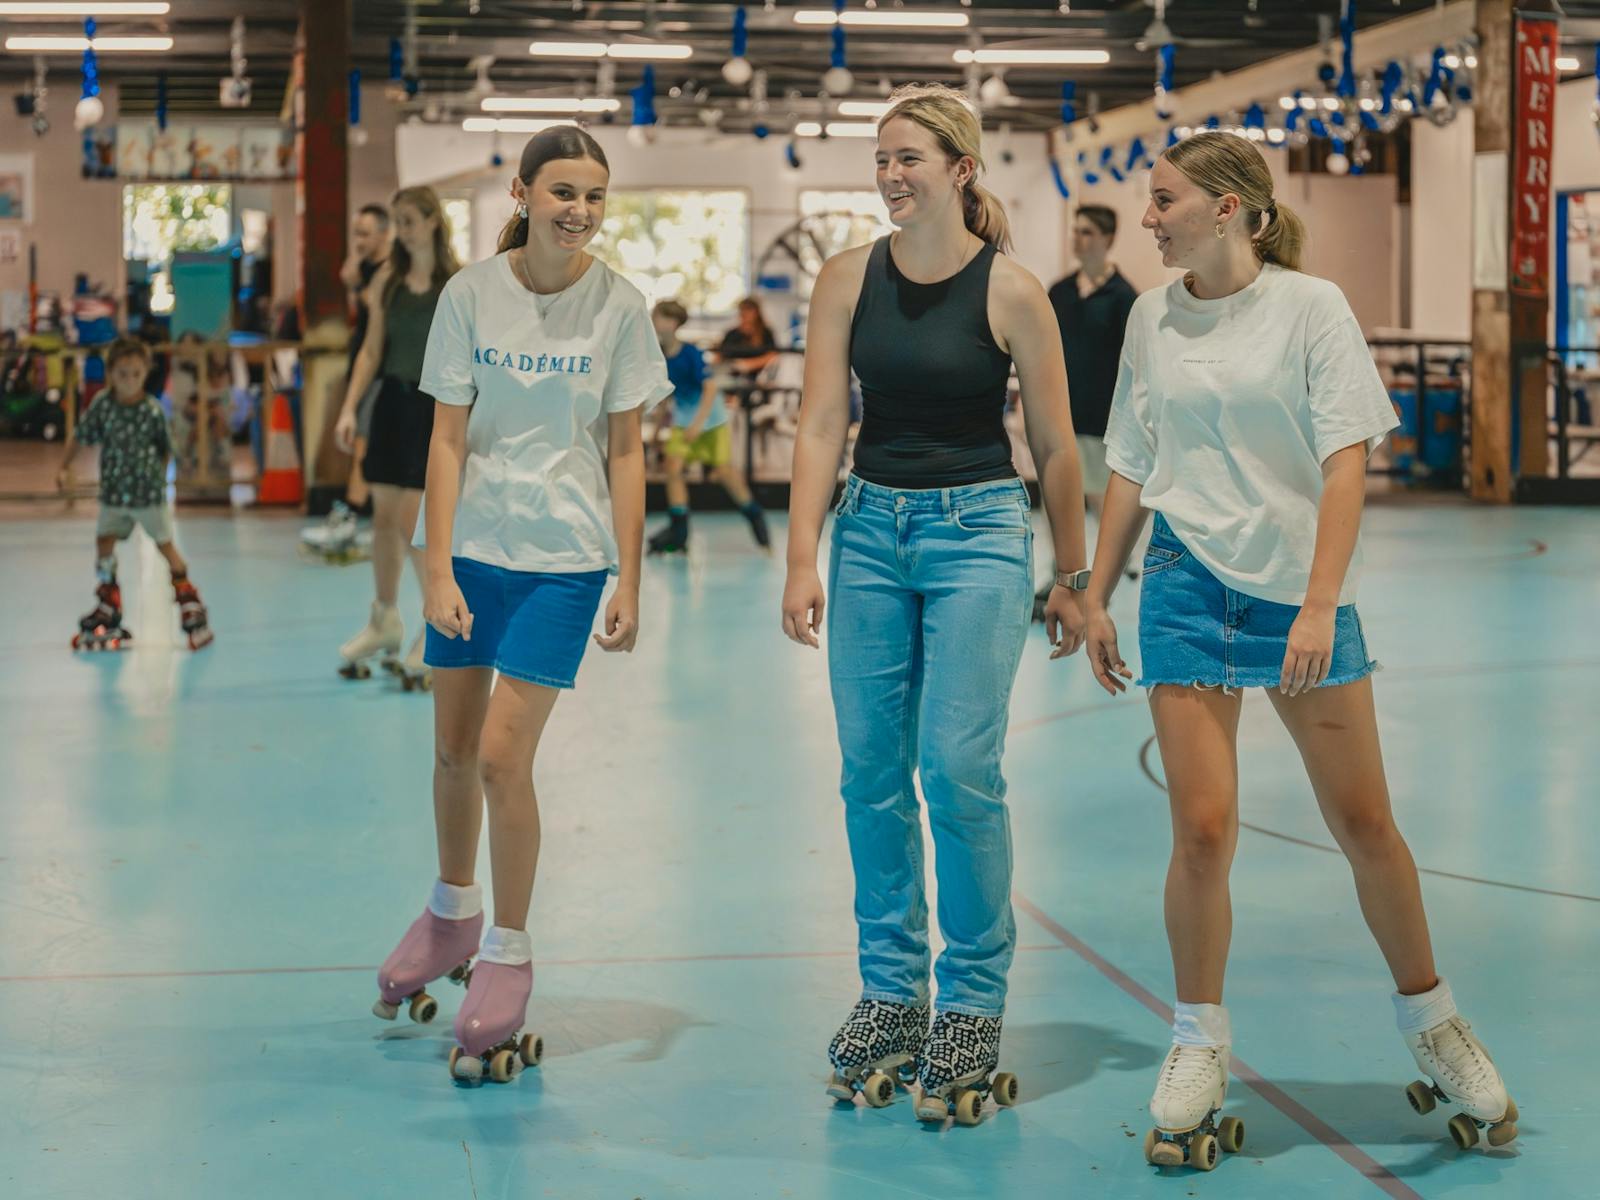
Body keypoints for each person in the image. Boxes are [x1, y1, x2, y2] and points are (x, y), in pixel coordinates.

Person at [1083, 132, 1516, 1168]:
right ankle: (1196, 1039)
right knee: (1201, 831)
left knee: (1364, 821)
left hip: (1297, 599)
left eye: (1163, 200)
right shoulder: (1151, 316)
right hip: (1185, 586)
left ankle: (1434, 1021)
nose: (1148, 217)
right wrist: (1091, 591)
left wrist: (1319, 604)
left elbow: (1343, 461)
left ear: (1229, 209)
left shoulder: (1310, 307)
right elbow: (1134, 463)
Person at [781, 83, 1088, 1124]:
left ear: (960, 170)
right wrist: (799, 557)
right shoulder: (841, 280)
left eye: (908, 157)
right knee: (869, 773)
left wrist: (1076, 577)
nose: (889, 175)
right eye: (880, 159)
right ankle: (889, 996)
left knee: (956, 769)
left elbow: (1052, 448)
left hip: (978, 536)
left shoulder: (1012, 293)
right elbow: (822, 423)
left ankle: (969, 1005)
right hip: (867, 533)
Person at [369, 126, 671, 1082]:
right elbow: (446, 440)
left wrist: (631, 572)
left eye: (593, 195)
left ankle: (508, 947)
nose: (577, 211)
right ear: (522, 191)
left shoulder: (620, 306)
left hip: (562, 564)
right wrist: (437, 563)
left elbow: (627, 450)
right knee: (452, 749)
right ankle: (449, 912)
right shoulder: (470, 296)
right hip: (470, 554)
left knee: (503, 757)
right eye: (562, 192)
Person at [332, 187, 458, 688]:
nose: (402, 232)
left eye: (409, 221)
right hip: (392, 404)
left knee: (417, 523)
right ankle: (384, 619)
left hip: (436, 409)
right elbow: (370, 350)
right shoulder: (388, 280)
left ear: (431, 222)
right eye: (397, 222)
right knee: (383, 519)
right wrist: (349, 408)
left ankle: (435, 624)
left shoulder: (457, 282)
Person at [57, 337, 212, 651]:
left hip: (147, 497)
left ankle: (188, 600)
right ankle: (108, 598)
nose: (129, 381)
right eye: (122, 374)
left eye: (136, 374)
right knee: (104, 541)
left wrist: (159, 481)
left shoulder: (152, 410)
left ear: (146, 374)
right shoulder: (103, 404)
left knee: (165, 545)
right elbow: (81, 435)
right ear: (110, 373)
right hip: (114, 495)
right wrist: (64, 466)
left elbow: (167, 449)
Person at [1035, 205, 1139, 618]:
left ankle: (1110, 573)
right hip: (1060, 417)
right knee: (1056, 499)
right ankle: (1057, 572)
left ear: (1107, 239)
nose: (1078, 239)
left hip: (1102, 419)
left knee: (1101, 498)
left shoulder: (1124, 298)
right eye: (1075, 231)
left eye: (1088, 232)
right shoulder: (1058, 291)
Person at [644, 298, 770, 554]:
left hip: (710, 421)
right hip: (683, 421)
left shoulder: (690, 353)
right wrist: (658, 430)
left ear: (671, 322)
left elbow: (711, 388)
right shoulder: (658, 355)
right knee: (673, 468)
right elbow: (665, 394)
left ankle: (756, 518)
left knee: (725, 474)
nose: (653, 321)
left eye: (657, 316)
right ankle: (679, 531)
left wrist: (698, 425)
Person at [304, 204, 391, 556]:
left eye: (366, 233)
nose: (360, 240)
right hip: (364, 364)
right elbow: (347, 275)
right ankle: (358, 512)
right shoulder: (368, 267)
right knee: (362, 440)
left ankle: (352, 514)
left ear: (385, 234)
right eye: (356, 233)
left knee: (364, 441)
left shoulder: (392, 272)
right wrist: (358, 251)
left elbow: (375, 306)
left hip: (385, 368)